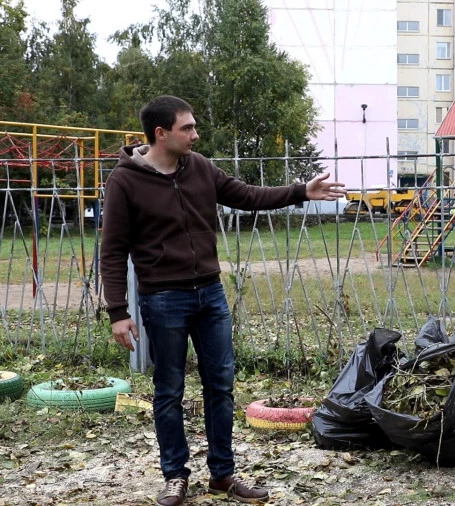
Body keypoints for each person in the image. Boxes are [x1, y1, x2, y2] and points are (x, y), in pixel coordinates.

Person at [100, 95, 345, 506]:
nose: (196, 134)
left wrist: (301, 190)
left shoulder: (200, 167)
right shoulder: (125, 181)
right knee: (169, 390)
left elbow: (248, 195)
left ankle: (222, 475)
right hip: (163, 299)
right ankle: (175, 476)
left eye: (194, 126)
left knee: (221, 386)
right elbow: (112, 250)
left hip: (210, 293)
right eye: (187, 128)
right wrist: (118, 312)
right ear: (161, 133)